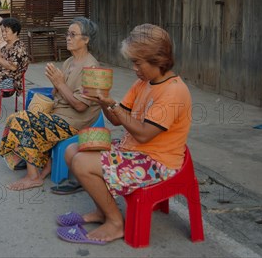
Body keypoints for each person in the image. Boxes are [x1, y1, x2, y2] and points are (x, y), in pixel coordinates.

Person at [56, 24, 192, 245]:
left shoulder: (173, 91)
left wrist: (114, 106)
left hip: (157, 162)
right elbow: (118, 120)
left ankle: (115, 223)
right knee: (72, 150)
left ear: (158, 59)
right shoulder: (143, 83)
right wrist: (102, 101)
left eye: (138, 63)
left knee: (81, 162)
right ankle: (102, 212)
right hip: (135, 150)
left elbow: (145, 135)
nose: (134, 69)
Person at [0, 17, 101, 191]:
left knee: (21, 119)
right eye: (68, 34)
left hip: (75, 121)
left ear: (86, 40)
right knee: (20, 117)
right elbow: (57, 93)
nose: (68, 37)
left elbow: (81, 107)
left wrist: (60, 83)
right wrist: (55, 83)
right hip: (59, 113)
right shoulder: (69, 62)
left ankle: (33, 177)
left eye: (73, 34)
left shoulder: (92, 68)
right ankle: (46, 164)